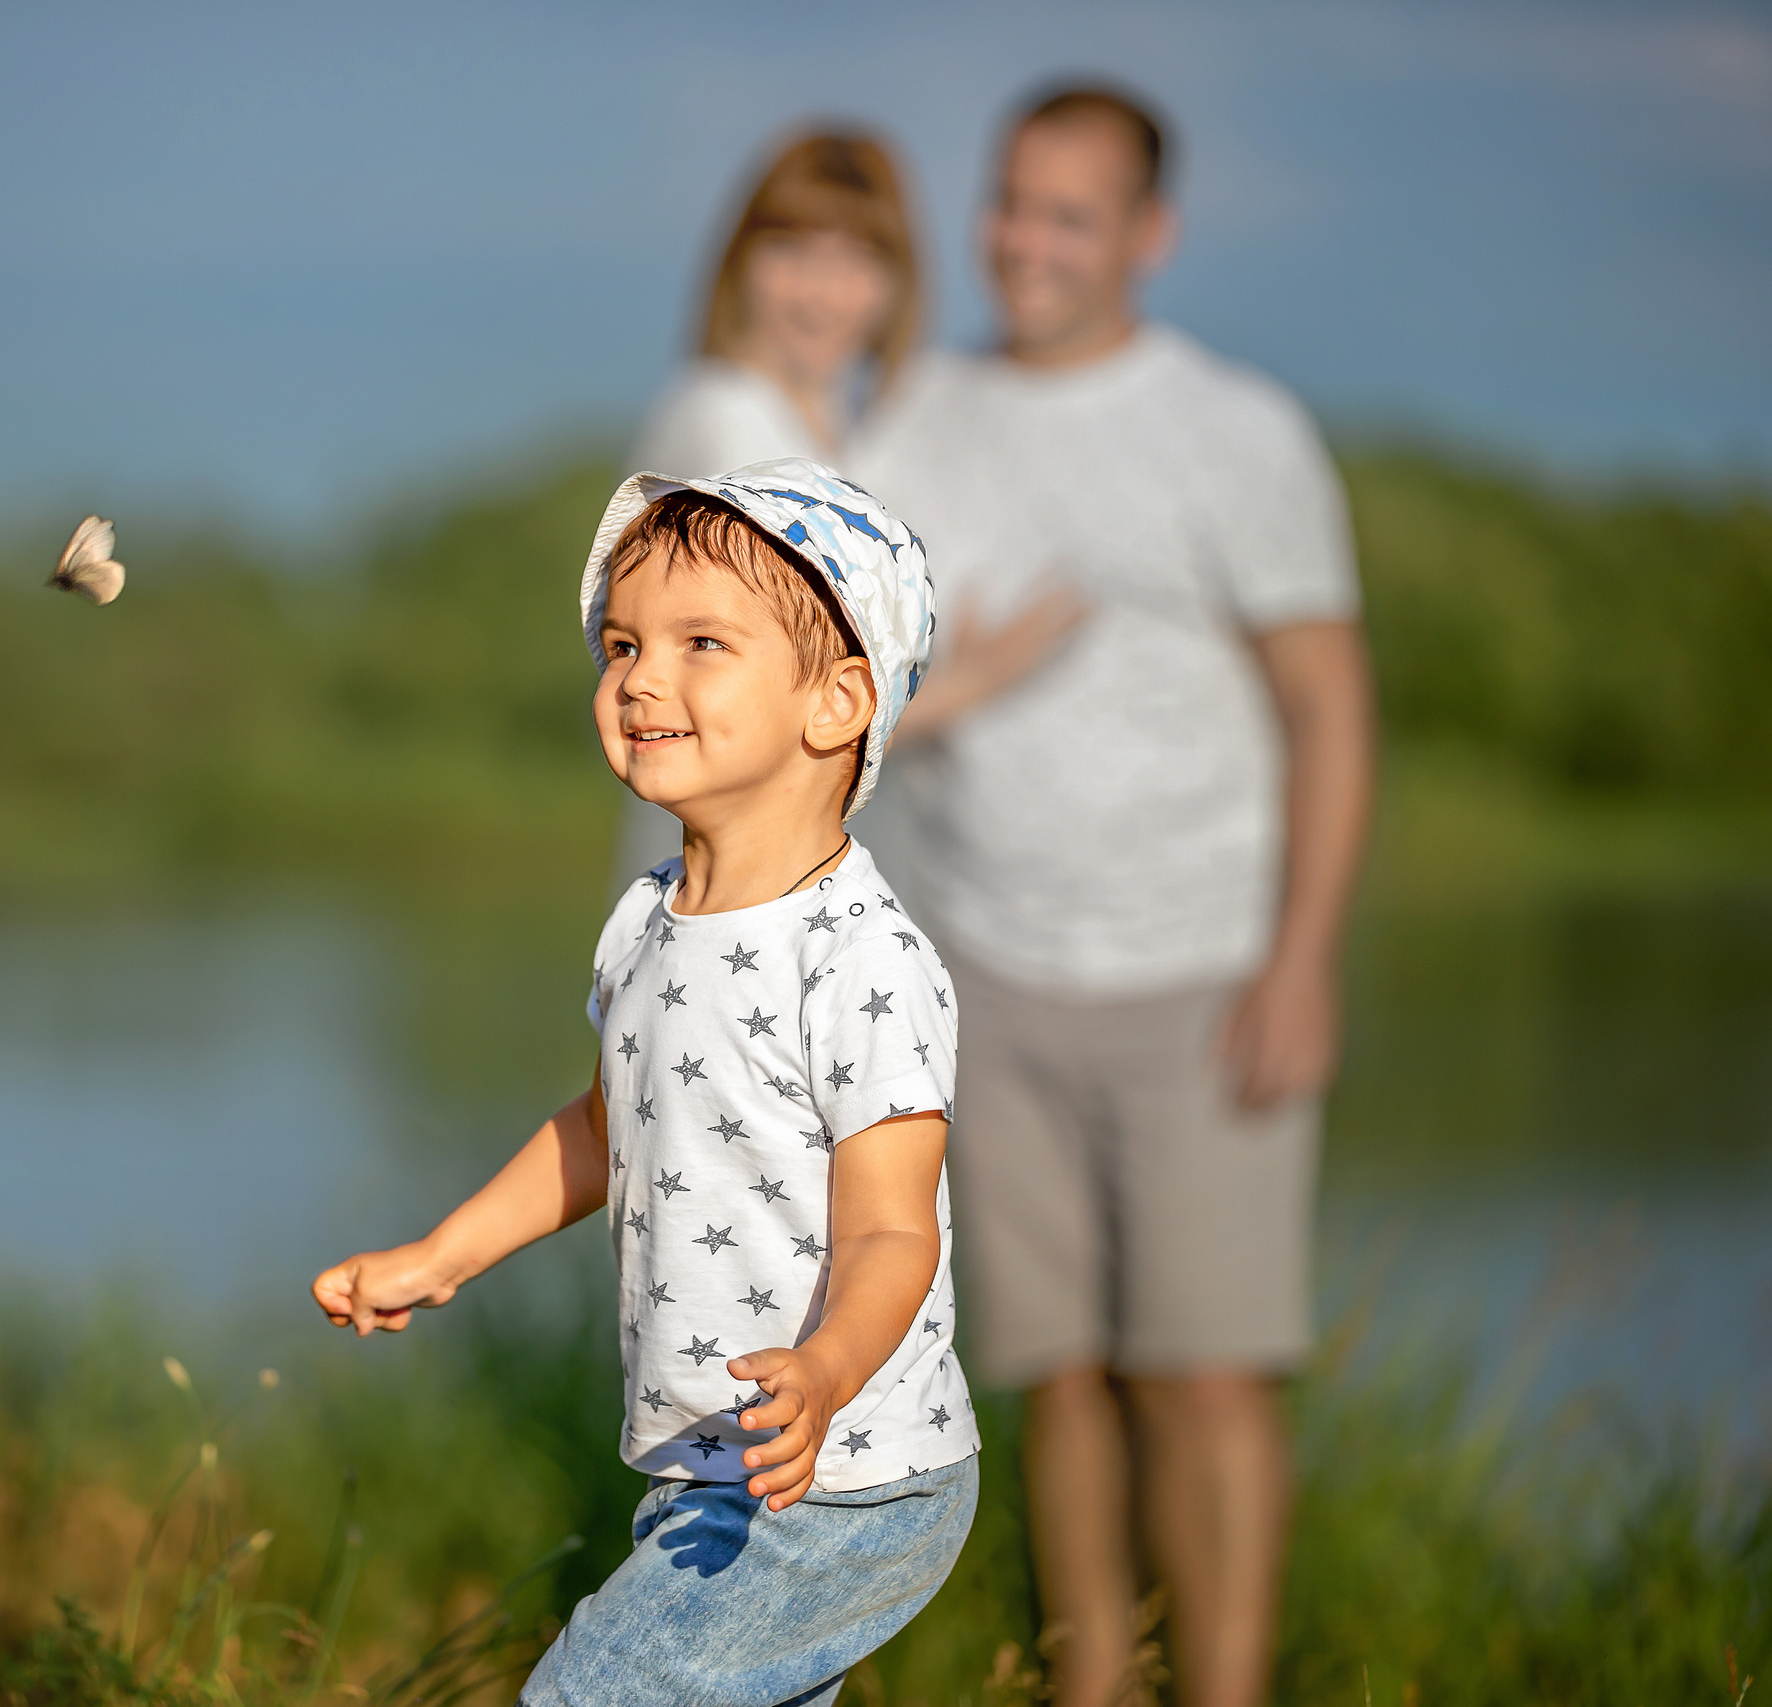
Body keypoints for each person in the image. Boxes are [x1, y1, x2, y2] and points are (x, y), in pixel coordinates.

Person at [848, 85, 1376, 1707]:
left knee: (1208, 1372)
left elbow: (1327, 705)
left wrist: (1302, 959)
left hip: (1201, 967)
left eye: (1070, 214)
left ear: (1148, 237)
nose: (1025, 241)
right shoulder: (917, 411)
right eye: (1011, 203)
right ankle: (1093, 1687)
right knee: (1056, 1375)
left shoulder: (1237, 429)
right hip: (984, 970)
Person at [313, 460, 976, 1706]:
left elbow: (895, 1224)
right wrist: (442, 1256)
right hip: (705, 1461)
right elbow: (606, 1127)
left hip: (841, 1476)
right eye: (621, 643)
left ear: (836, 704)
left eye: (701, 642)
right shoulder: (646, 922)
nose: (640, 678)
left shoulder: (860, 959)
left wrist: (827, 1370)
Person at [614, 130, 925, 890]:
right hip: (740, 889)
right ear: (741, 262)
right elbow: (777, 688)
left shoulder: (854, 425)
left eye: (857, 259)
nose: (822, 292)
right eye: (792, 251)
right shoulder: (728, 421)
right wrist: (972, 682)